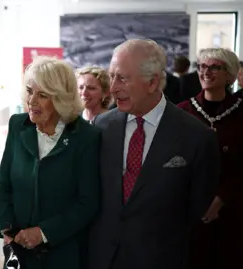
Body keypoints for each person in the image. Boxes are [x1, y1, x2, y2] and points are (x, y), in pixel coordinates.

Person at [88, 39, 220, 269]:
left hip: (160, 259)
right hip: (103, 259)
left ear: (152, 83)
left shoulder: (196, 136)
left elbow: (197, 205)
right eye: (112, 77)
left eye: (122, 78)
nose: (113, 88)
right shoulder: (101, 126)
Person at [0, 56, 100, 269]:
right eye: (30, 91)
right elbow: (3, 184)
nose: (32, 101)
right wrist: (7, 229)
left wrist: (43, 233)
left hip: (62, 254)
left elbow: (87, 202)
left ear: (61, 99)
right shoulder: (18, 125)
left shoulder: (86, 137)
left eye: (42, 95)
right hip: (19, 251)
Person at [178, 48, 243, 269]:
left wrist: (220, 199)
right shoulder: (181, 112)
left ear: (230, 75)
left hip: (231, 209)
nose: (206, 72)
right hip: (191, 210)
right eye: (202, 66)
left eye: (214, 67)